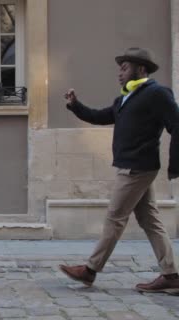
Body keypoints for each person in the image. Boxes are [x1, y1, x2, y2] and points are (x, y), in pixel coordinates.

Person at [59, 47, 179, 295]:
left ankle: (90, 270)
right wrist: (75, 106)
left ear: (141, 69)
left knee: (115, 217)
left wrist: (175, 164)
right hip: (130, 166)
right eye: (120, 69)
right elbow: (100, 116)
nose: (119, 73)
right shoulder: (125, 98)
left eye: (125, 68)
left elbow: (176, 125)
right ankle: (171, 275)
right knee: (150, 220)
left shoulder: (157, 93)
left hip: (138, 167)